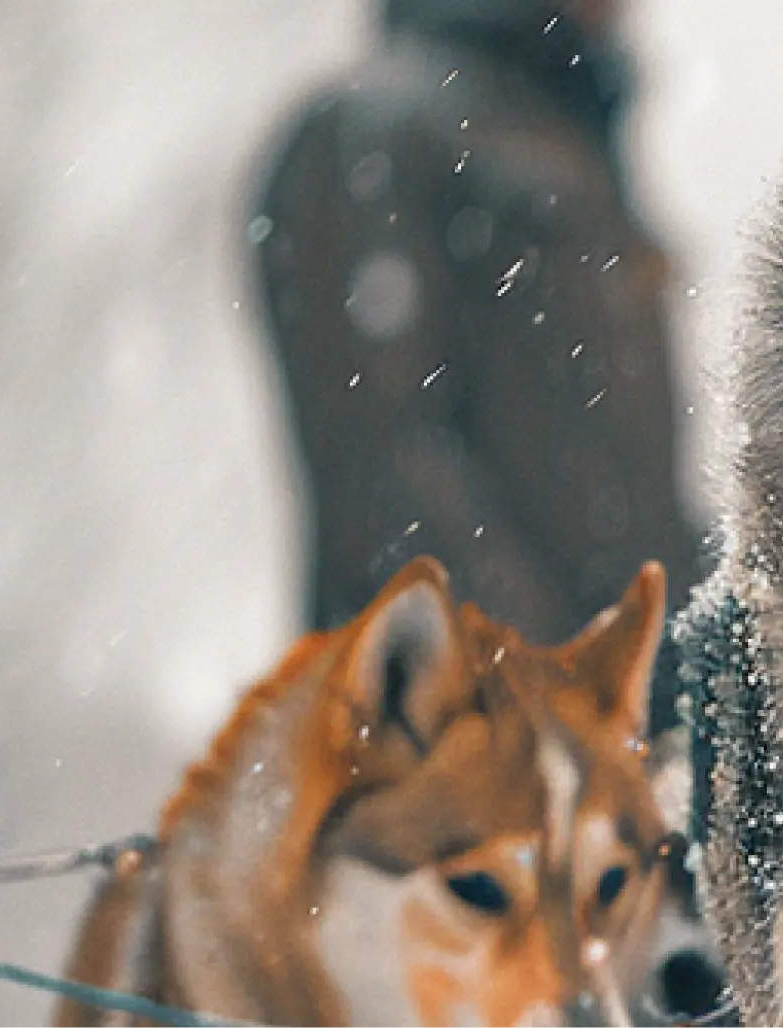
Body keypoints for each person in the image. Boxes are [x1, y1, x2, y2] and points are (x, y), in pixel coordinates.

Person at [249, 0, 699, 663]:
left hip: (602, 730)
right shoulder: (375, 134)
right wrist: (542, 688)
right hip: (478, 737)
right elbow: (387, 471)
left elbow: (636, 508)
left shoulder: (566, 146)